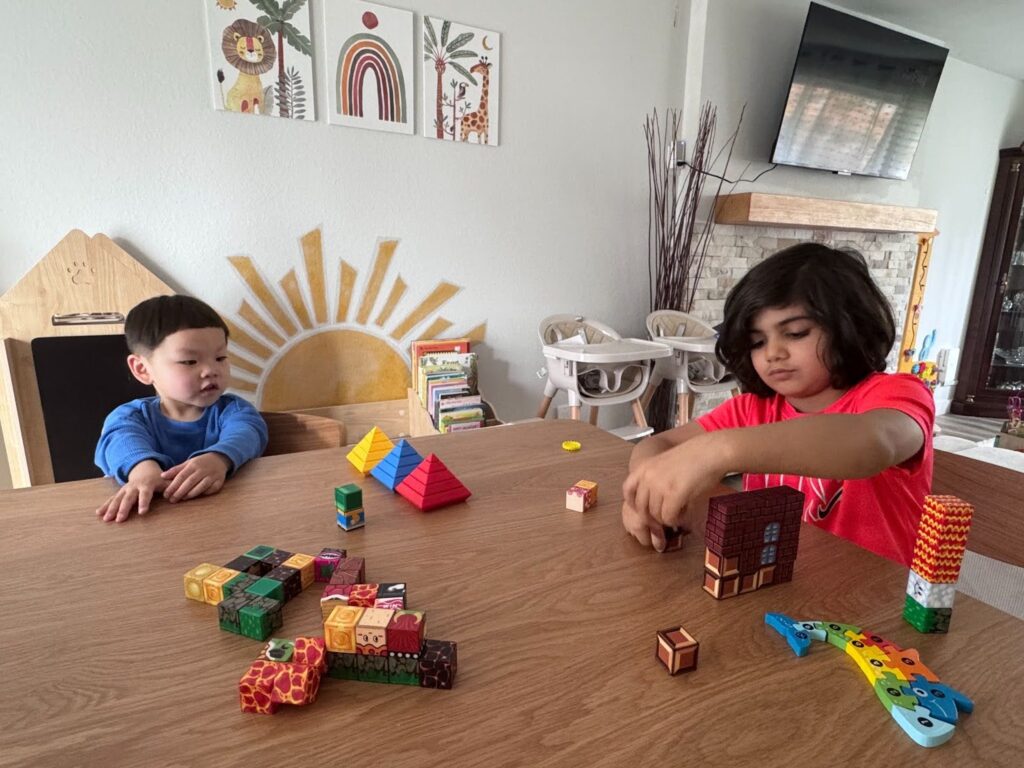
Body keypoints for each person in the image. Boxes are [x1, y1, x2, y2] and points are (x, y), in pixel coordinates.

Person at [622, 243, 934, 566]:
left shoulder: (898, 394)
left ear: (849, 326)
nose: (773, 353)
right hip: (782, 588)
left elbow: (874, 443)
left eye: (796, 333)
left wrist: (720, 450)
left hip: (878, 600)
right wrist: (645, 494)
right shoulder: (752, 409)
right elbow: (660, 443)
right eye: (757, 342)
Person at [95, 295, 268, 523]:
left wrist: (219, 458)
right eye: (190, 362)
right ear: (142, 369)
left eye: (220, 357)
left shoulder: (233, 411)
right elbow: (120, 440)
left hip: (225, 520)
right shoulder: (131, 417)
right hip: (153, 523)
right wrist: (143, 472)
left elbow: (249, 432)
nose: (210, 370)